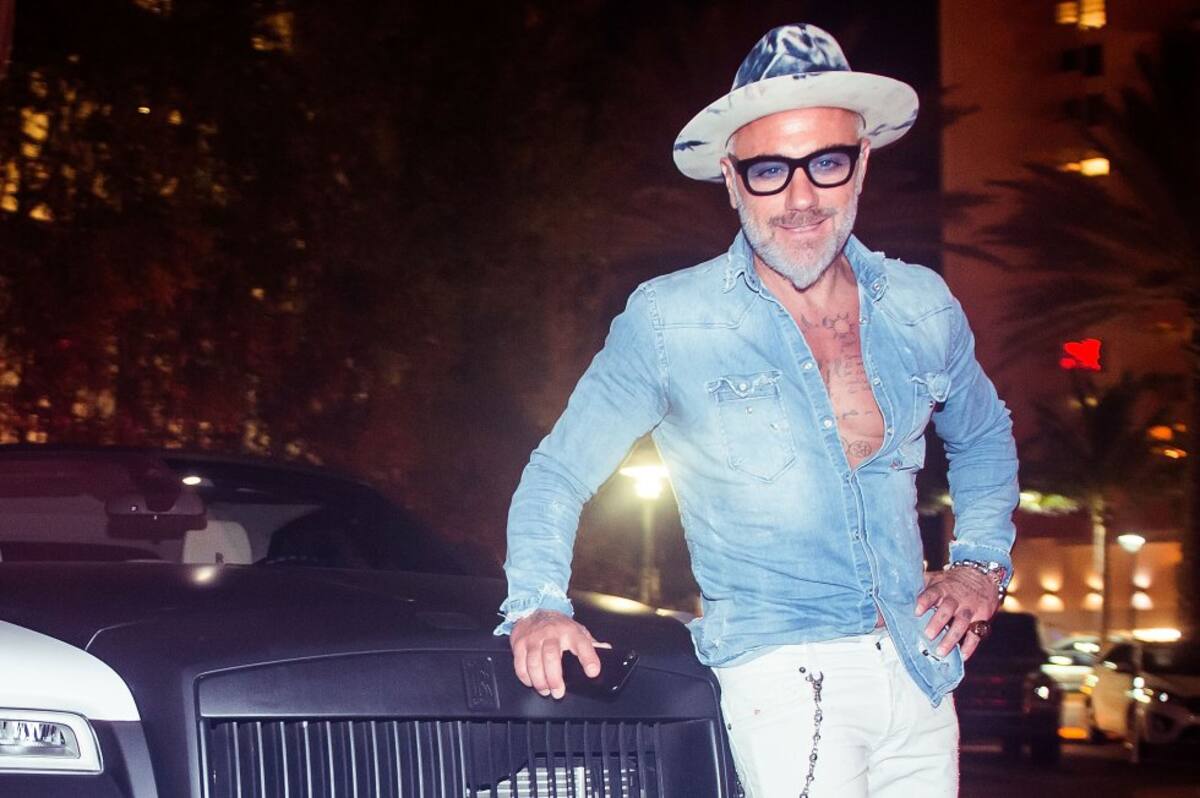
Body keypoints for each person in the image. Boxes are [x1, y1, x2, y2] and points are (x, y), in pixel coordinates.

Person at [495, 23, 1017, 797]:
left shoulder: (921, 305)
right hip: (788, 681)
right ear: (732, 180)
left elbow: (984, 434)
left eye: (826, 163)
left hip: (921, 674)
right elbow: (558, 473)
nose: (800, 199)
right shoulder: (671, 321)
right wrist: (537, 607)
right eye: (770, 170)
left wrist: (980, 565)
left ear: (862, 162)